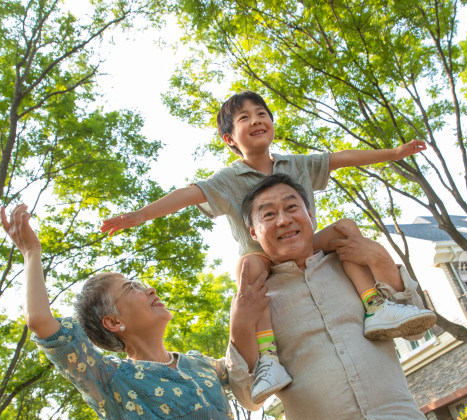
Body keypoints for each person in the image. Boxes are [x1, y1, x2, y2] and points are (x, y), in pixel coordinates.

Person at [100, 90, 436, 404]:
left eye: (262, 113)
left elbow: (342, 158)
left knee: (346, 229)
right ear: (229, 138)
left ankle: (376, 306)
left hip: (305, 246)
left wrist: (393, 154)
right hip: (261, 256)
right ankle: (269, 357)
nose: (257, 119)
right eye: (244, 118)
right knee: (248, 268)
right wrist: (140, 215)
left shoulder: (296, 165)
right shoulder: (227, 179)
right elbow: (187, 195)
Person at [0, 204, 295, 420]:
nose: (150, 288)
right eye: (131, 288)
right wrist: (31, 251)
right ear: (113, 322)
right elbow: (41, 322)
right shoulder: (110, 379)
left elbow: (249, 385)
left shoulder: (200, 364)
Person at [227, 174, 467, 420]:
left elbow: (418, 325)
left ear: (309, 214)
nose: (283, 219)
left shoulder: (351, 262)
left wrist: (379, 256)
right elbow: (248, 398)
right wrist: (239, 328)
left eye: (292, 207)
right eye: (268, 214)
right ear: (252, 232)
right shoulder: (254, 300)